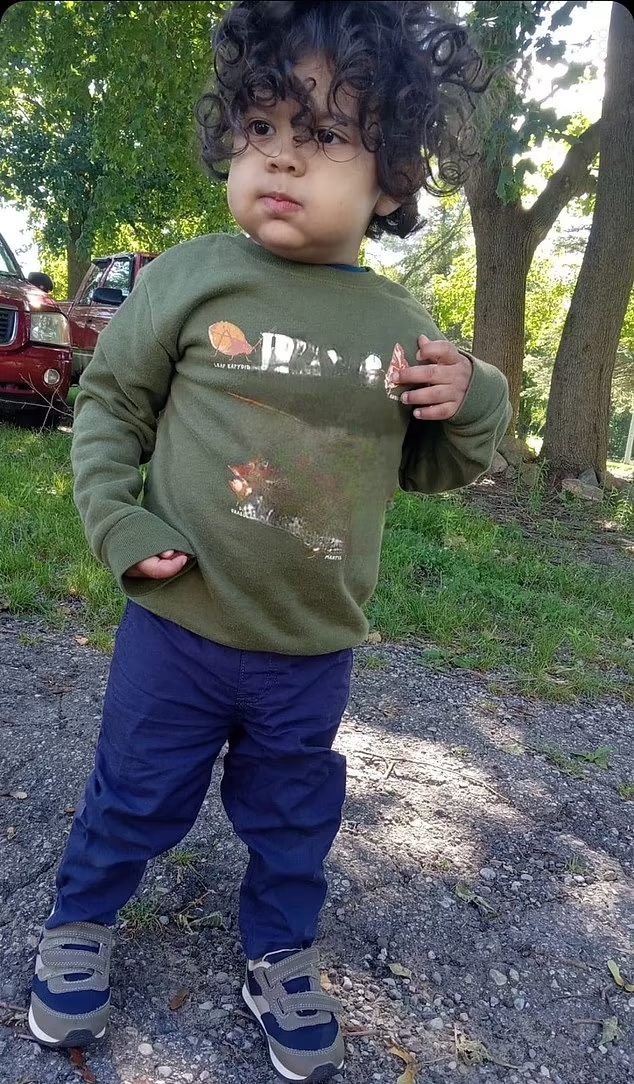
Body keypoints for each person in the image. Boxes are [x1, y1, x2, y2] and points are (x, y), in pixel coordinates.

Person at [28, 2, 511, 1080]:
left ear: (392, 180)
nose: (282, 155)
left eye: (325, 132)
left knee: (294, 820)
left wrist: (476, 398)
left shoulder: (401, 326)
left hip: (309, 647)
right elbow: (108, 408)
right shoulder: (192, 277)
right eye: (260, 127)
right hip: (178, 625)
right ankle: (81, 919)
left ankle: (281, 953)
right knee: (134, 792)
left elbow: (431, 467)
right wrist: (119, 520)